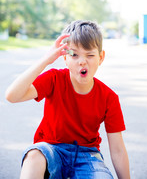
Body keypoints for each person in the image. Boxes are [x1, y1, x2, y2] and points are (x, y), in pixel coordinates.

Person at [6, 20, 130, 179]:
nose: (82, 61)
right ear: (65, 58)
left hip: (87, 155)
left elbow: (118, 150)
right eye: (74, 54)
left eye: (90, 55)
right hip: (50, 149)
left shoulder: (109, 97)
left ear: (100, 57)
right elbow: (12, 95)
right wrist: (46, 60)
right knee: (34, 156)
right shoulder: (54, 79)